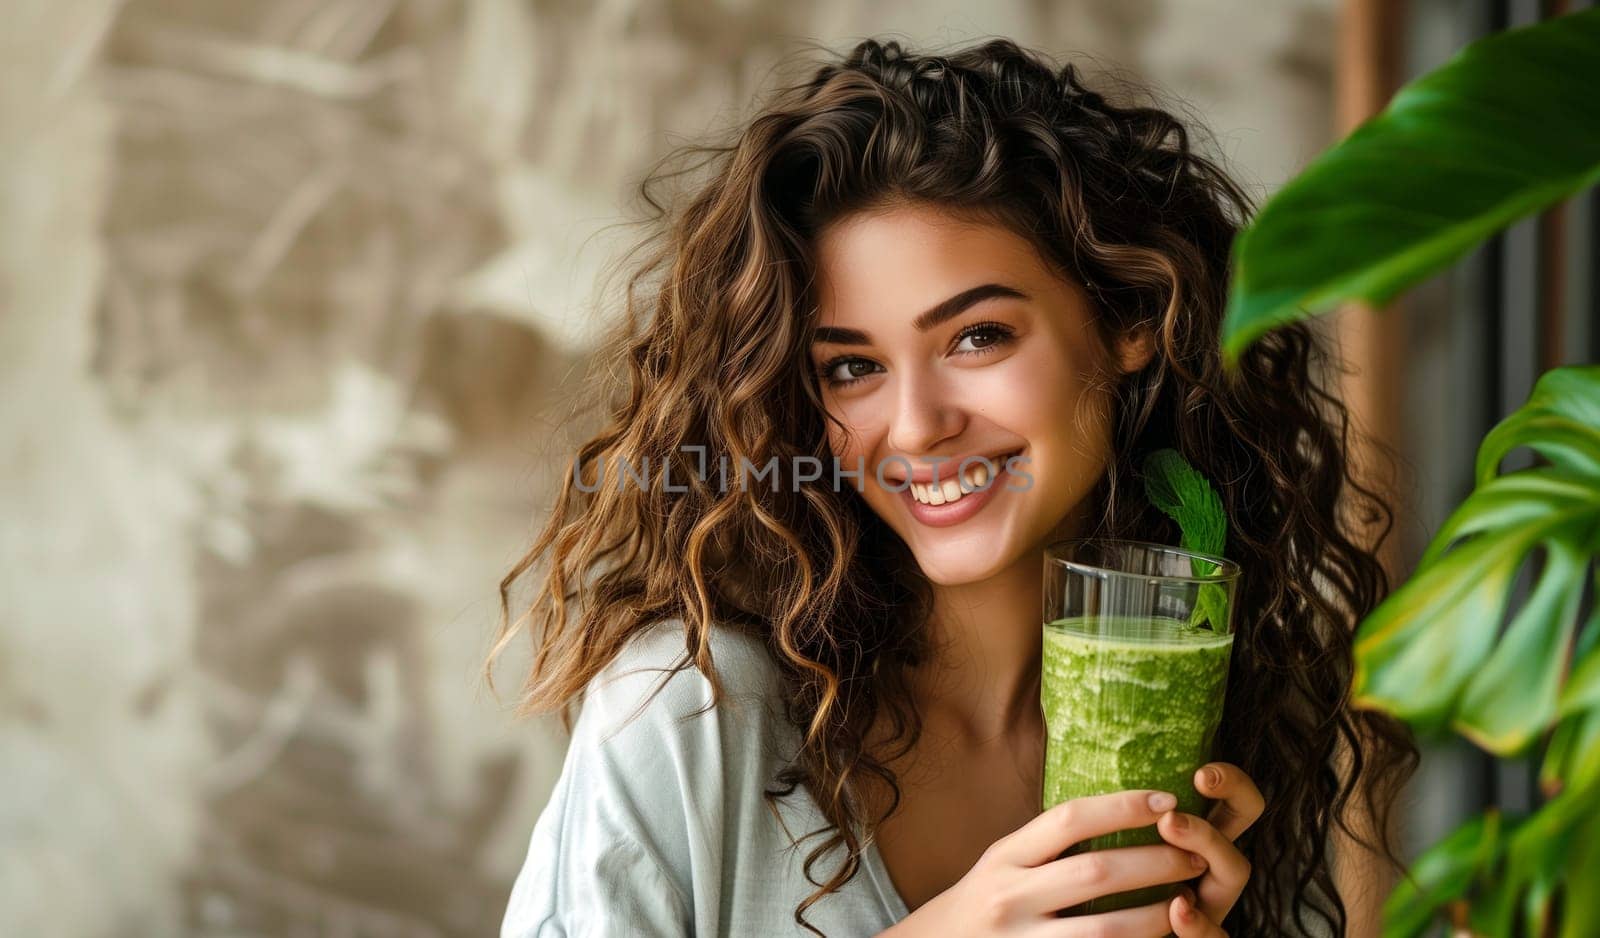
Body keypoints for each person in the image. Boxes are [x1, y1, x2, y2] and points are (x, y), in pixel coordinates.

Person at [489, 36, 1418, 938]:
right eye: (851, 368)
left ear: (1131, 318)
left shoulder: (1222, 715)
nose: (917, 424)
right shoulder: (693, 708)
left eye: (977, 337)